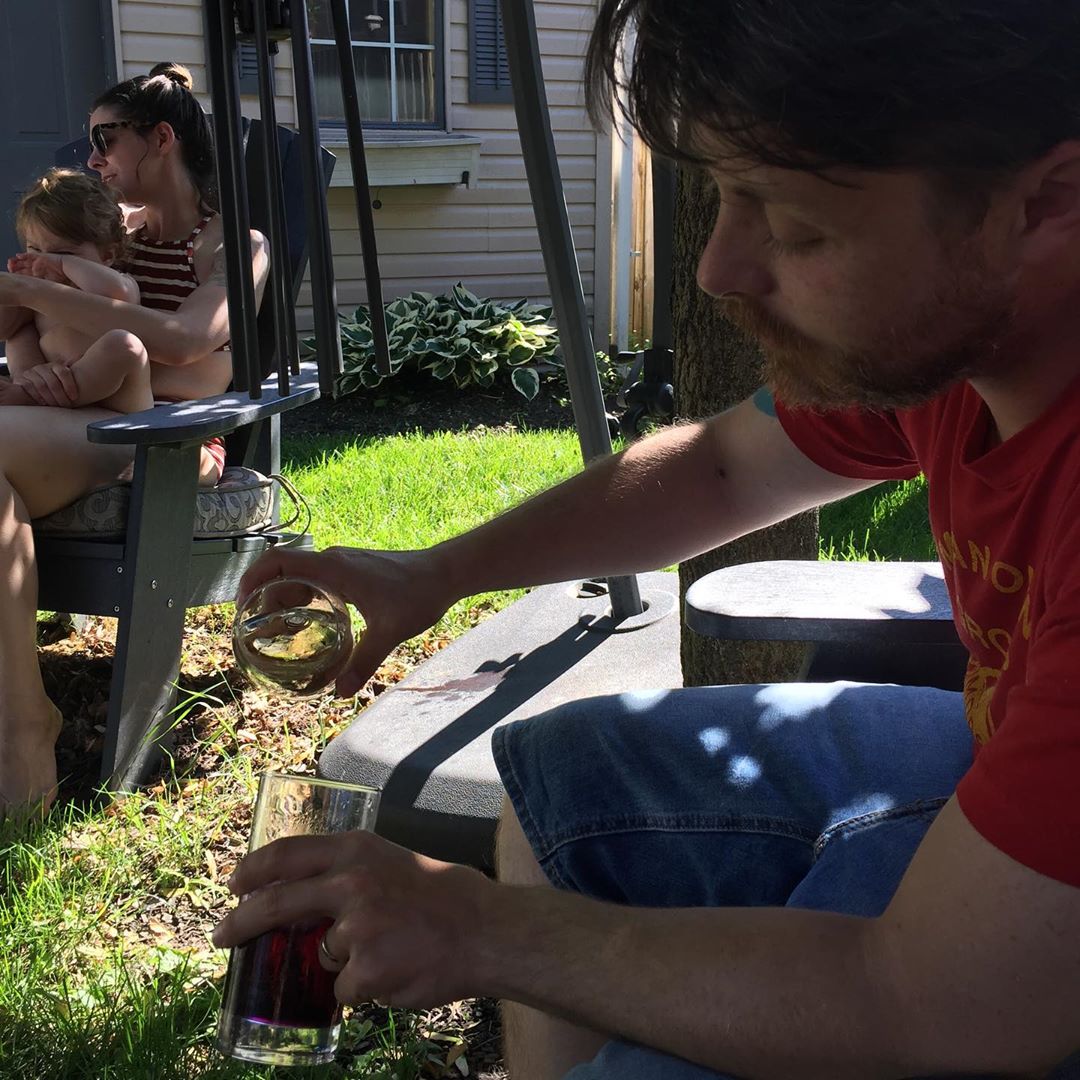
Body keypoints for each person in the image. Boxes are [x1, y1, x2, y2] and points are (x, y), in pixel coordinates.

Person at [213, 3, 1080, 1076]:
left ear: (1046, 201)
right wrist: (438, 572)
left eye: (794, 226)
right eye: (723, 195)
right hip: (992, 750)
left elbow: (932, 1006)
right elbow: (723, 465)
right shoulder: (966, 351)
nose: (718, 269)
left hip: (973, 977)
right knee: (558, 783)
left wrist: (477, 930)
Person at [0, 62, 268, 813]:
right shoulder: (96, 238)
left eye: (104, 139)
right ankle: (22, 715)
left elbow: (187, 344)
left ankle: (21, 730)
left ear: (160, 138)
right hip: (60, 420)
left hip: (157, 444)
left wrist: (33, 290)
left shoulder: (236, 247)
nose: (91, 159)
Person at [1, 168, 151, 414]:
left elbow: (117, 295)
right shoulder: (37, 293)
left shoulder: (117, 283)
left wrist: (63, 266)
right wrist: (16, 291)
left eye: (63, 254)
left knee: (124, 345)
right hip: (54, 390)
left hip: (117, 402)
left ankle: (29, 396)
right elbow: (4, 329)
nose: (43, 263)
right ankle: (31, 387)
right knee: (18, 334)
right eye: (34, 250)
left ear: (107, 255)